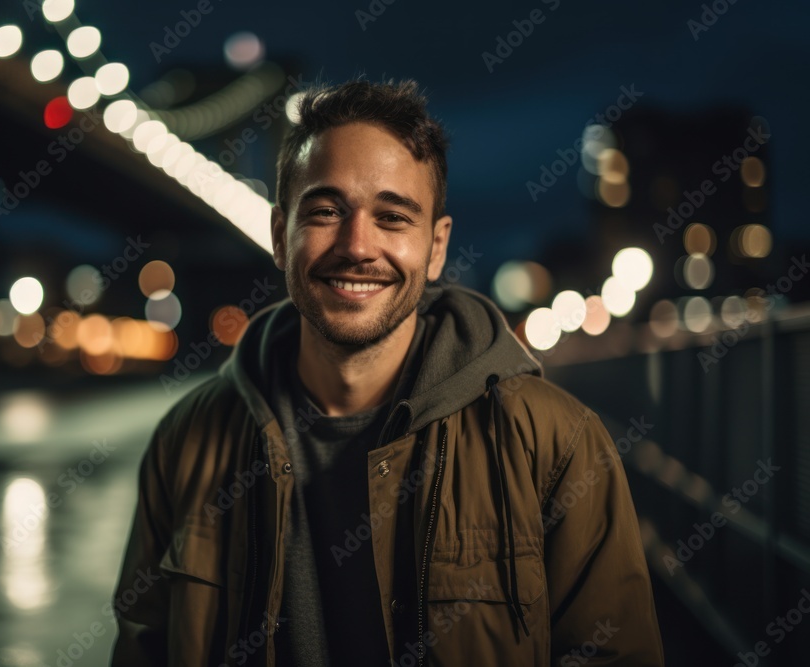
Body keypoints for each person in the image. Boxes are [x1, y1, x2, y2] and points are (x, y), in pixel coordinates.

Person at [110, 78, 664, 666]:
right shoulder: (185, 441)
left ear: (436, 247)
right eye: (326, 211)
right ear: (280, 235)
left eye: (393, 218)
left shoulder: (556, 444)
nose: (357, 245)